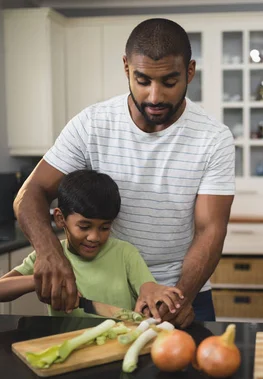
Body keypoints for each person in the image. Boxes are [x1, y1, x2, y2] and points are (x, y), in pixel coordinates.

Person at [13, 18, 235, 328]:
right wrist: (51, 255)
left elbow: (210, 229)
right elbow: (29, 194)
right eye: (143, 80)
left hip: (181, 293)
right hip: (104, 295)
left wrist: (180, 295)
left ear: (189, 71)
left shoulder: (214, 137)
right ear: (126, 68)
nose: (155, 96)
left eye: (169, 82)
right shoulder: (91, 125)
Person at [0, 170, 183, 320]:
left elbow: (147, 286)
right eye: (84, 226)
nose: (94, 237)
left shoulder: (125, 253)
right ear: (60, 218)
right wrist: (40, 279)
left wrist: (154, 291)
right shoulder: (51, 260)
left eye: (104, 227)